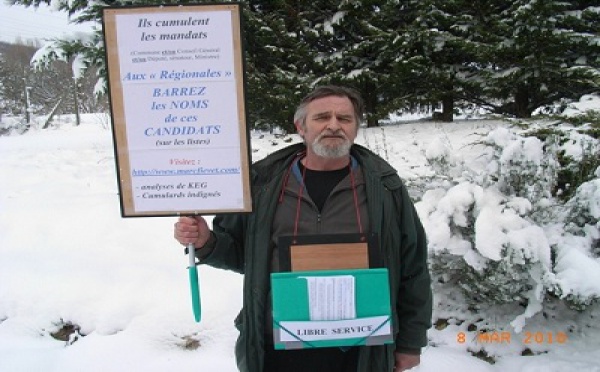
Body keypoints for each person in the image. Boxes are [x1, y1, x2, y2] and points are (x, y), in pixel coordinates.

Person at [174, 85, 432, 372]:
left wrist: (410, 343)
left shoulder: (385, 188)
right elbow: (239, 253)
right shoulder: (262, 184)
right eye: (322, 117)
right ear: (301, 127)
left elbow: (413, 266)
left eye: (344, 119)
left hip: (361, 348)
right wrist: (205, 240)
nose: (334, 125)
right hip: (278, 346)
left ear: (356, 127)